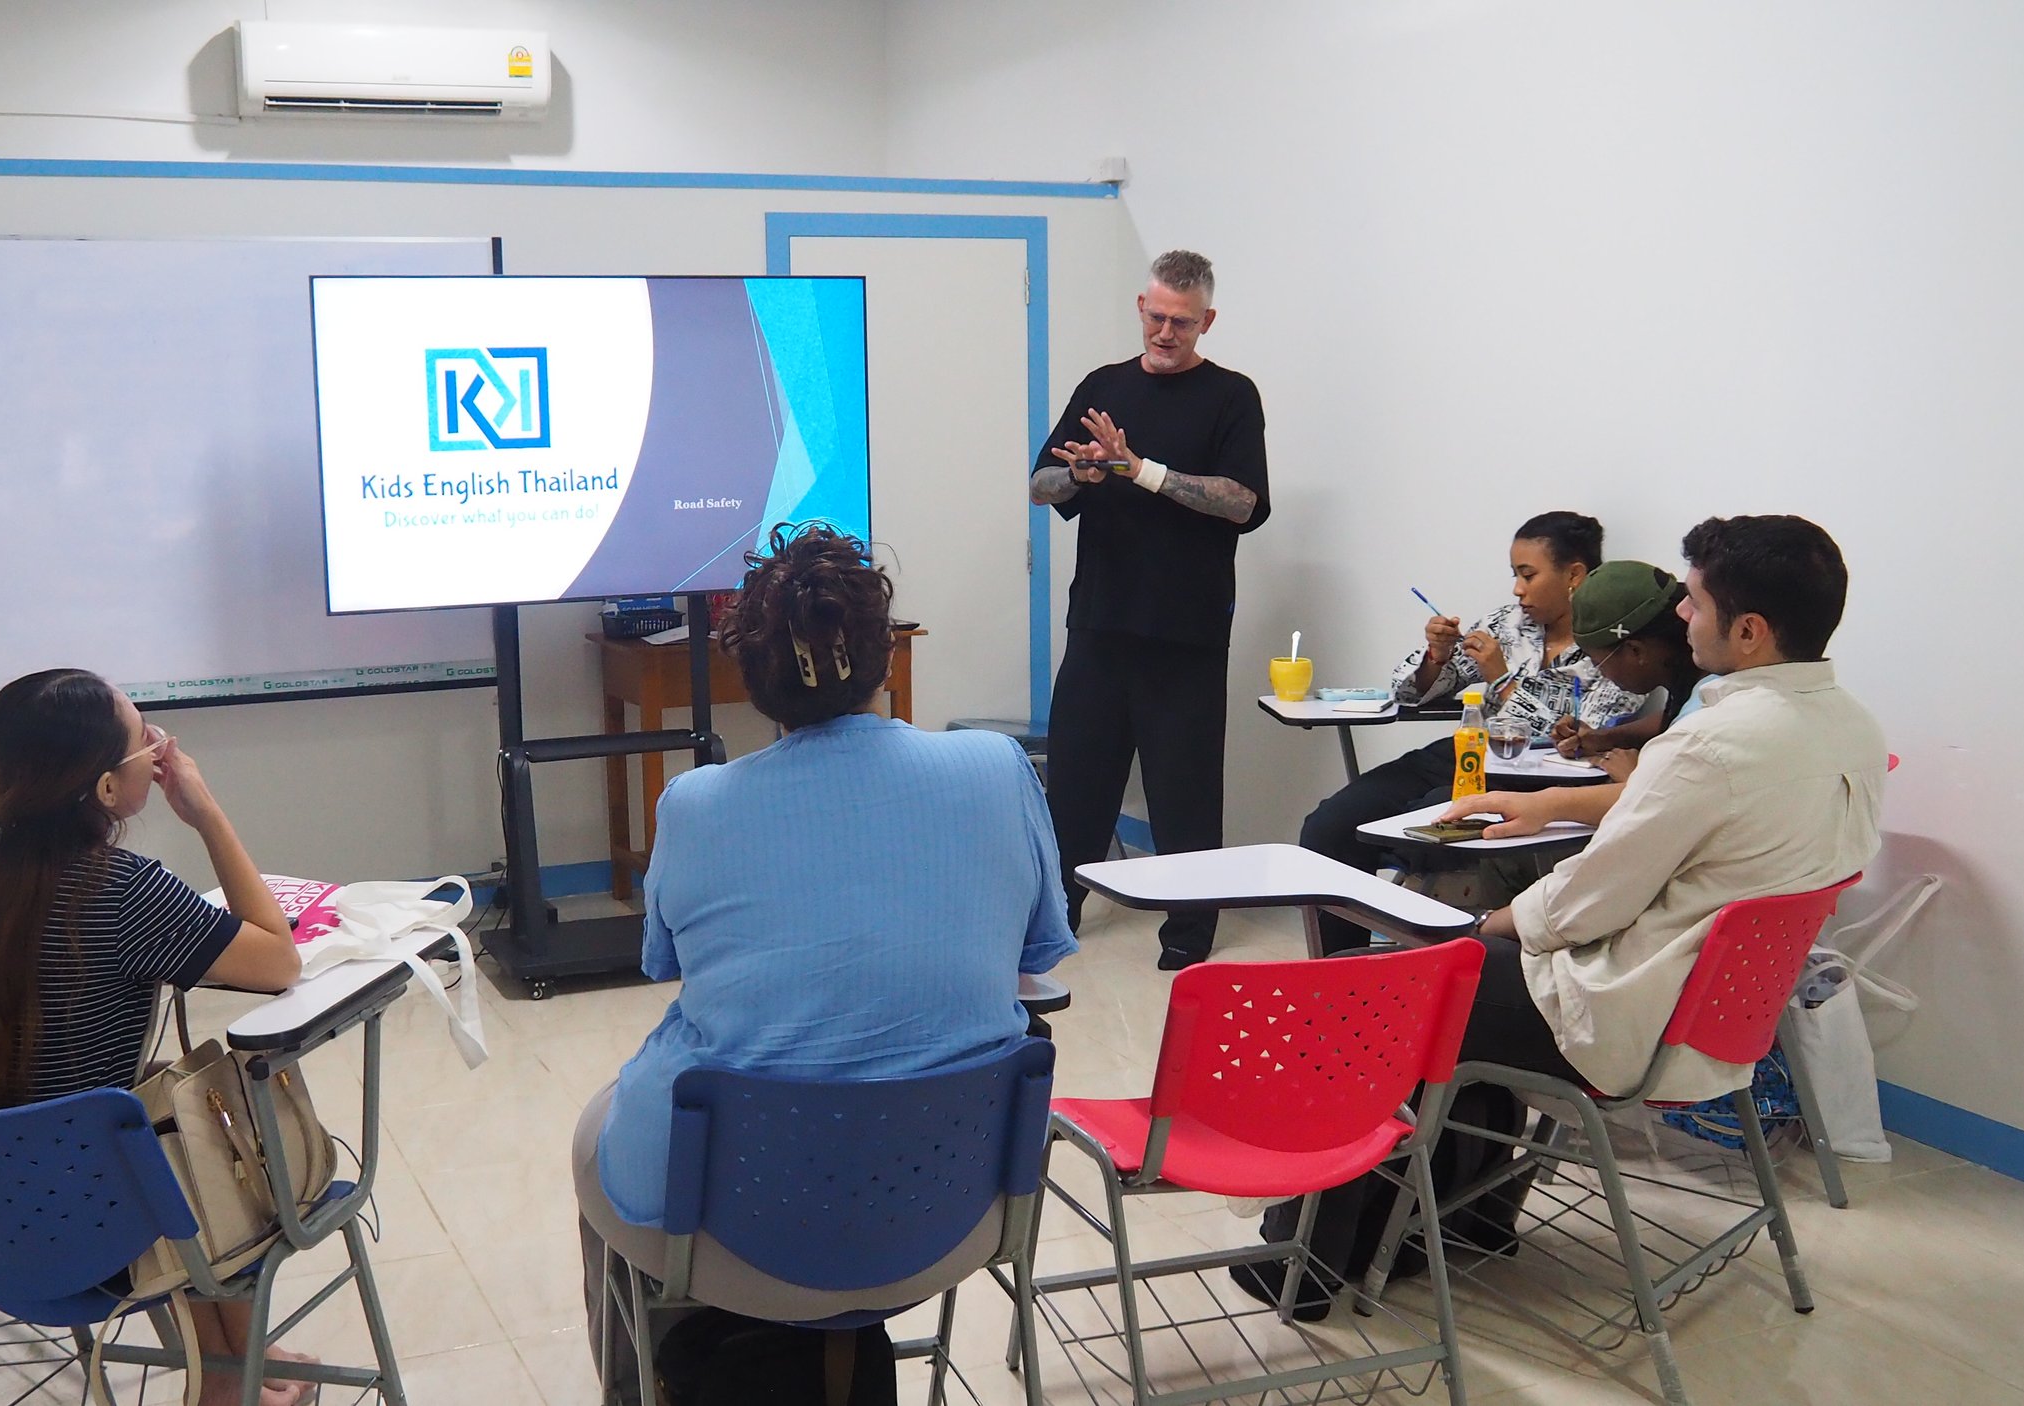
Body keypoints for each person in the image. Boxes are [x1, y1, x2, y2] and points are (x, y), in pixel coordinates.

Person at [1243, 514, 1886, 1315]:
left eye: (1691, 602)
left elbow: (1586, 903)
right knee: (1474, 985)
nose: (1680, 618)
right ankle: (1461, 1220)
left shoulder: (1713, 745)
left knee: (1371, 983)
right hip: (1722, 1016)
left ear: (1749, 630)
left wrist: (1484, 927)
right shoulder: (1853, 729)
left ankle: (1301, 1263)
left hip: (1634, 1011)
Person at [573, 524, 1077, 1401]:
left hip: (735, 1227)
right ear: (885, 654)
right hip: (953, 1209)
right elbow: (1039, 954)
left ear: (752, 676)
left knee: (598, 1136)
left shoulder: (695, 805)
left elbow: (668, 963)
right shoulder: (997, 769)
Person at [0, 668, 316, 1406]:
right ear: (107, 790)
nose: (159, 752)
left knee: (152, 1120)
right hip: (83, 1229)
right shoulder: (119, 889)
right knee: (220, 1135)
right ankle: (226, 1385)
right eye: (145, 742)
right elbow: (278, 961)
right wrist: (207, 813)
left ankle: (237, 1361)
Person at [1030, 249, 1271, 969]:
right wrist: (1075, 475)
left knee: (1185, 795)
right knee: (1076, 784)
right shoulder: (1102, 387)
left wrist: (1144, 472)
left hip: (1186, 635)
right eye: (1157, 318)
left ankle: (1188, 936)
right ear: (1142, 306)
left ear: (1208, 321)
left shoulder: (1231, 396)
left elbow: (1243, 502)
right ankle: (1056, 917)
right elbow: (1040, 484)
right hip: (1100, 624)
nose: (1166, 334)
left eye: (1183, 323)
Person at [1297, 512, 1645, 954]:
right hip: (1471, 752)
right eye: (1515, 575)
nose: (1518, 589)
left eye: (1528, 575)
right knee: (1330, 826)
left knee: (1425, 824)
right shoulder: (1508, 622)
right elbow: (1412, 693)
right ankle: (1339, 970)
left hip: (1540, 780)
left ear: (1574, 574)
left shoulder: (1616, 643)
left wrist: (1500, 679)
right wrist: (1436, 658)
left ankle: (1419, 961)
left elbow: (1584, 737)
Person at [1459, 559, 1710, 836]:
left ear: (1636, 652)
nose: (1600, 670)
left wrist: (1634, 779)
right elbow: (1669, 719)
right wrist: (1606, 737)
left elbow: (1668, 807)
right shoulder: (1694, 681)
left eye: (1597, 661)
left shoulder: (1709, 707)